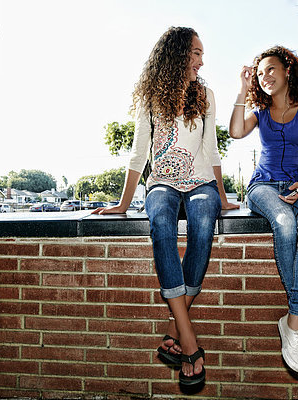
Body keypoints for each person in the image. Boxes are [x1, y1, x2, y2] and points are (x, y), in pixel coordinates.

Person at [93, 26, 238, 386]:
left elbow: (211, 149)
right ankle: (186, 336)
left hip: (201, 180)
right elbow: (139, 151)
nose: (202, 61)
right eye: (197, 53)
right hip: (161, 182)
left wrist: (220, 195)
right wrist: (123, 202)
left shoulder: (206, 93)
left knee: (205, 223)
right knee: (160, 222)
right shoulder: (150, 96)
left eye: (202, 54)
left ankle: (176, 328)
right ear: (177, 54)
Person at [229, 46, 298, 374]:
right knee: (285, 222)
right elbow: (234, 131)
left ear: (288, 70)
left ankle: (293, 323)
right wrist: (243, 90)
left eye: (270, 70)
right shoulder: (259, 113)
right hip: (262, 187)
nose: (265, 77)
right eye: (260, 74)